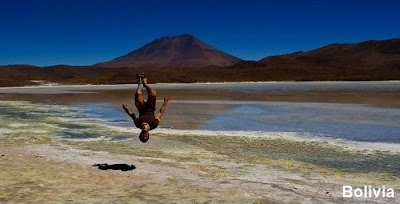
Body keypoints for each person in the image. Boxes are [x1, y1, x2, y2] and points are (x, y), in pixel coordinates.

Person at [122, 73, 170, 143]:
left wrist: (126, 110)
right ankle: (145, 84)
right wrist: (165, 102)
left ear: (140, 134)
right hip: (151, 108)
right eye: (146, 137)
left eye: (143, 136)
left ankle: (139, 83)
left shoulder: (138, 124)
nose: (145, 135)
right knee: (153, 92)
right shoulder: (154, 125)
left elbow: (133, 116)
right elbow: (160, 113)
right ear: (148, 135)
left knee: (138, 97)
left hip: (141, 109)